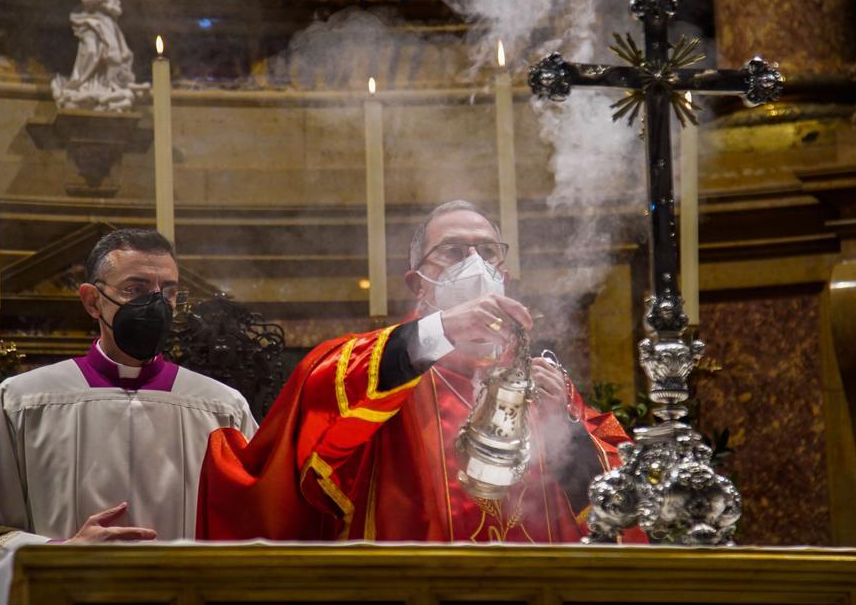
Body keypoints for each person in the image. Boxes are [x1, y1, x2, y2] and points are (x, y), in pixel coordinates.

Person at [197, 200, 639, 542]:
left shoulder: (543, 382)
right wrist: (442, 330)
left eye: (487, 251)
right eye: (453, 252)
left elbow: (620, 504)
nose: (476, 264)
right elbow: (317, 394)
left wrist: (568, 427)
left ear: (504, 271)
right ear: (418, 283)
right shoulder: (383, 367)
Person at [0, 228, 257, 603]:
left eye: (167, 292)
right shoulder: (23, 402)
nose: (156, 304)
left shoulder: (222, 408)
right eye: (135, 289)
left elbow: (261, 534)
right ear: (92, 301)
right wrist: (58, 552)